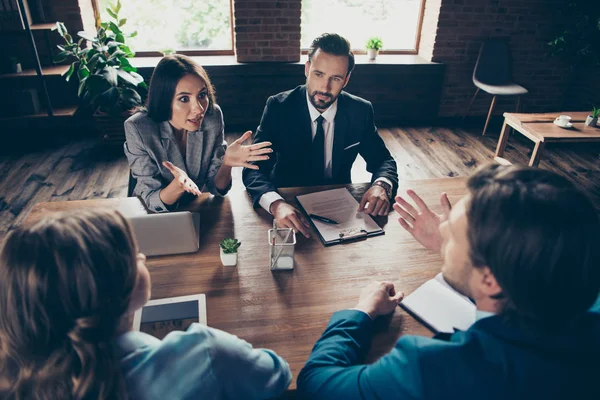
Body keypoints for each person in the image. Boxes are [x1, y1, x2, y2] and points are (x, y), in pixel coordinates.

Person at [297, 164, 600, 399]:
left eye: (452, 236)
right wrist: (462, 251)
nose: (441, 234)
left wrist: (362, 311)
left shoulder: (430, 368)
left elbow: (318, 383)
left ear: (490, 280)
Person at [0, 210, 291, 399]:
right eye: (133, 253)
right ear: (113, 285)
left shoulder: (16, 378)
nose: (143, 258)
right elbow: (278, 375)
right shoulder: (205, 353)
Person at [242, 33, 398, 238]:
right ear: (307, 70)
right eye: (318, 74)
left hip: (339, 209)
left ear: (347, 79)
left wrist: (381, 186)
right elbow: (254, 169)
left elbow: (383, 160)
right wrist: (276, 204)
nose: (325, 88)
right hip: (289, 206)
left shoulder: (360, 111)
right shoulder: (279, 107)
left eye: (335, 78)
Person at [125, 54, 272, 212]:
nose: (199, 109)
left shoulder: (212, 116)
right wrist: (178, 186)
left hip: (199, 209)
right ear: (164, 100)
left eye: (202, 95)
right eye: (184, 99)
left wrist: (227, 163)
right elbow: (148, 199)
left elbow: (216, 189)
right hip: (156, 216)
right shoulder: (138, 127)